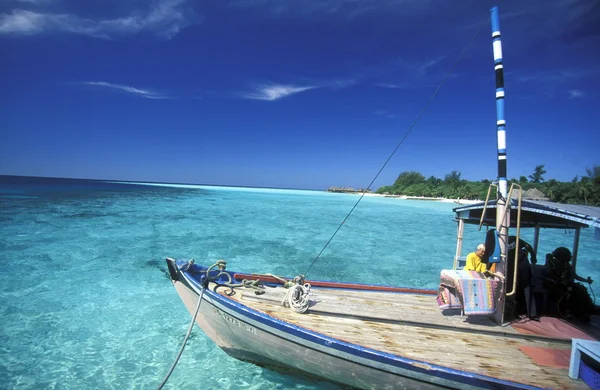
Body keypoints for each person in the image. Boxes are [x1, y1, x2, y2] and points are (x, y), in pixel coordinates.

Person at [544, 247, 594, 321]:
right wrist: (561, 280)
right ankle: (564, 311)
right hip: (551, 283)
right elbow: (549, 274)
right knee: (567, 292)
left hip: (564, 284)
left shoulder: (566, 265)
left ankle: (582, 312)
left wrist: (586, 281)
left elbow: (575, 276)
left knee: (581, 290)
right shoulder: (550, 262)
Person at [505, 236, 538, 319]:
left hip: (513, 267)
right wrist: (533, 258)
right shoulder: (514, 238)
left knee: (512, 288)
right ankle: (532, 313)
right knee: (527, 287)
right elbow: (528, 246)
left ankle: (512, 313)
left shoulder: (501, 242)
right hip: (524, 265)